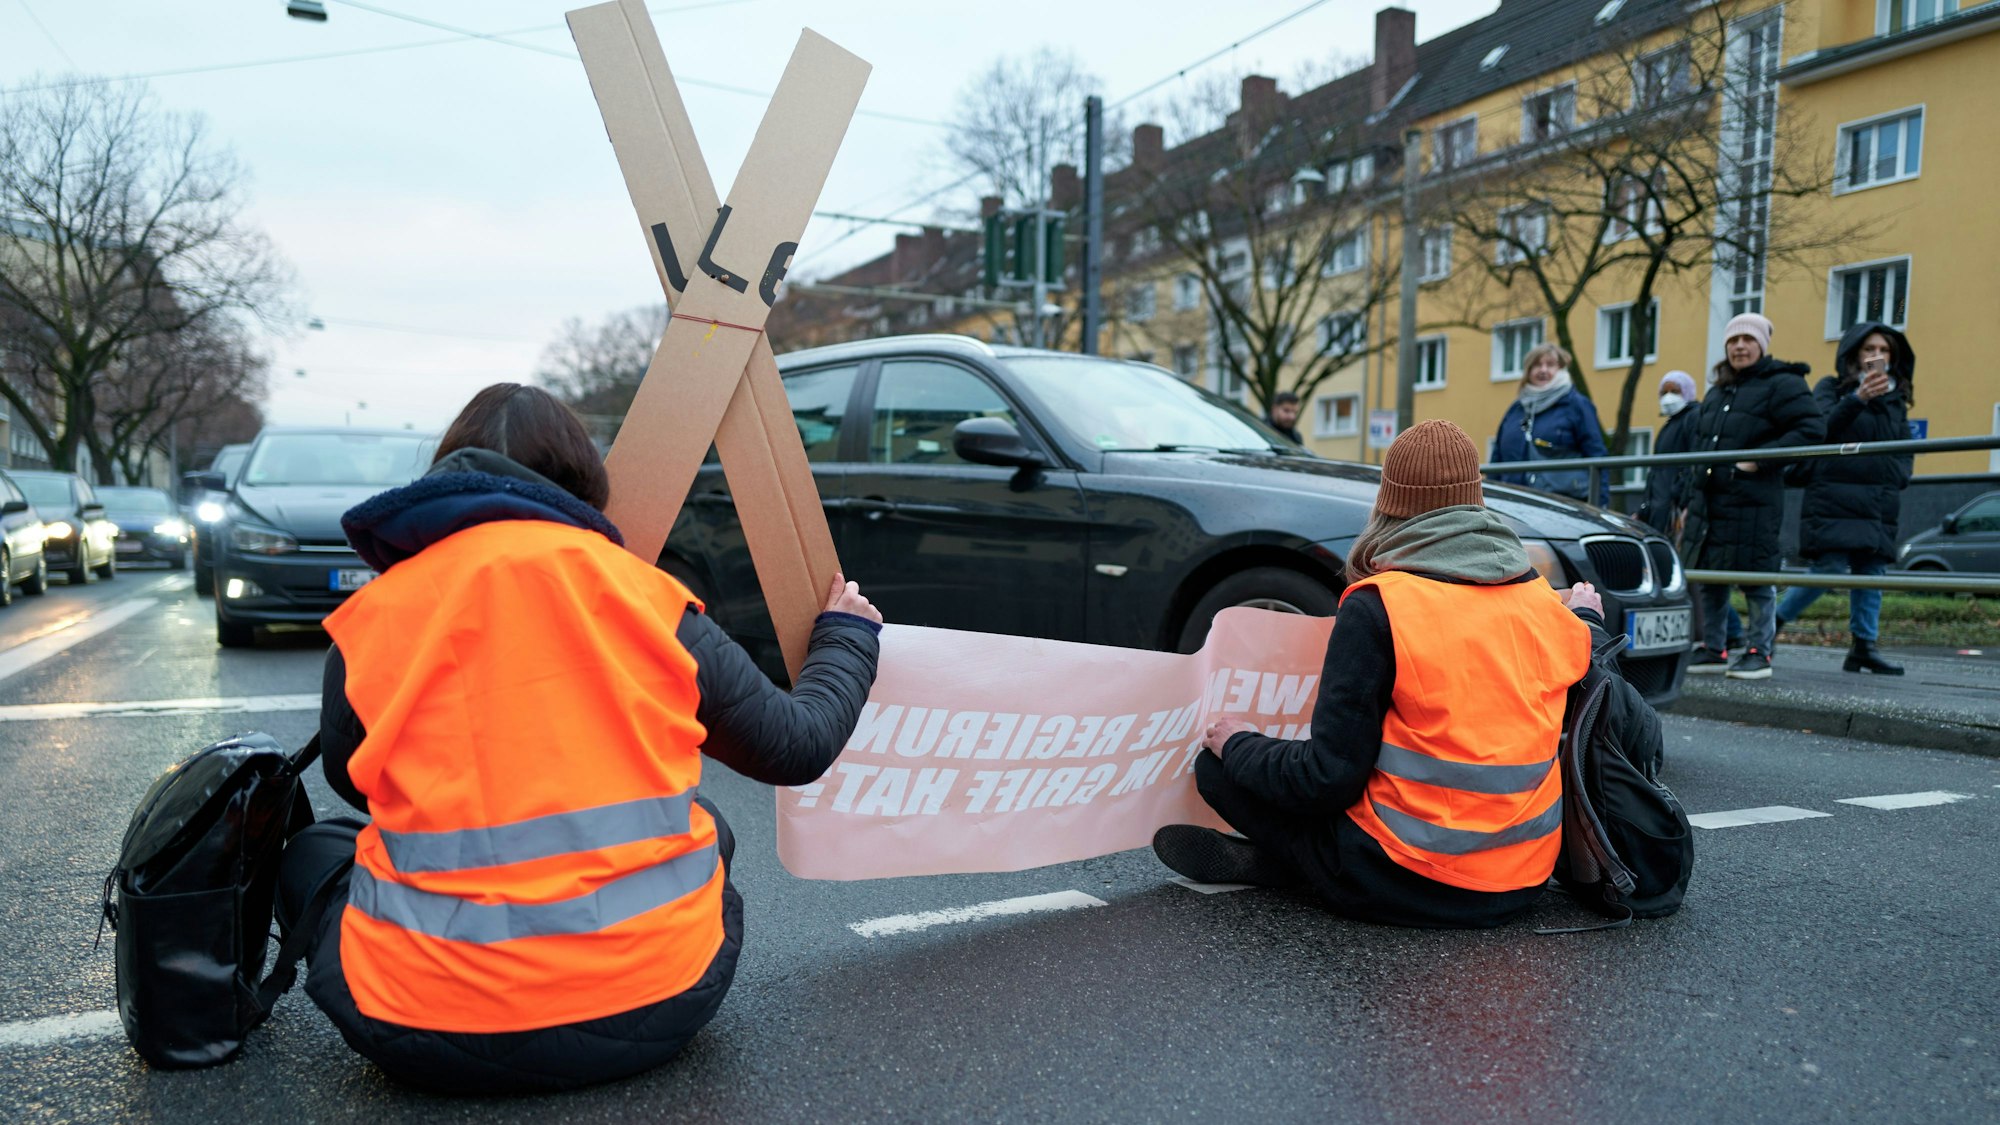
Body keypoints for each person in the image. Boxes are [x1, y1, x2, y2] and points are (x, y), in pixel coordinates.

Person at [275, 384, 882, 1094]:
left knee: (315, 850)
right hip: (665, 1003)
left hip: (425, 1033)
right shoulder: (648, 598)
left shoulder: (376, 615)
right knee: (702, 827)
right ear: (586, 484)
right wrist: (848, 637)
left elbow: (352, 777)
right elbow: (797, 745)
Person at [1151, 419, 1606, 928]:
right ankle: (1294, 864)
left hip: (1402, 879)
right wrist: (1583, 614)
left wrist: (1237, 742)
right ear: (1475, 498)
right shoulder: (1541, 600)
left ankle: (1286, 864)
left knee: (1220, 770)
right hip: (1522, 881)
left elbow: (1324, 780)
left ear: (1390, 502)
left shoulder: (1380, 605)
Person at [1677, 313, 1825, 680]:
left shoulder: (1783, 383)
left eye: (1748, 339)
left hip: (1753, 501)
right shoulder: (1717, 391)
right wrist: (1686, 497)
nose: (1739, 346)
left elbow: (1811, 430)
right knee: (1710, 577)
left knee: (1757, 579)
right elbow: (1698, 446)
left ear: (1762, 344)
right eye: (1733, 340)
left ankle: (1760, 651)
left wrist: (1759, 460)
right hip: (1709, 502)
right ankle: (1714, 648)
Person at [1775, 321, 1915, 675]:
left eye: (1884, 351)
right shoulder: (1831, 387)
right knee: (1829, 568)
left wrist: (1901, 474)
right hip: (1834, 495)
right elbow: (1821, 429)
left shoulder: (1896, 399)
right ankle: (1772, 623)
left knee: (1872, 571)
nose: (1877, 357)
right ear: (1854, 354)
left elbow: (1904, 447)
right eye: (1870, 350)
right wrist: (1858, 399)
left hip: (1878, 499)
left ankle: (1863, 647)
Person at [1638, 370, 1745, 654]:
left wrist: (1685, 502)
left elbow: (1690, 467)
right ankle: (1726, 631)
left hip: (1677, 509)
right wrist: (1646, 509)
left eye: (1674, 390)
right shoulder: (1671, 424)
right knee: (1683, 574)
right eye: (1664, 391)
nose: (1668, 397)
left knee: (1688, 573)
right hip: (1663, 508)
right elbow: (1657, 473)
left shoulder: (1691, 420)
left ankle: (1726, 631)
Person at [1489, 343, 1610, 504]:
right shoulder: (1516, 409)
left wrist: (1600, 503)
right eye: (1537, 365)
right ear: (1528, 371)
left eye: (1550, 365)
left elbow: (1597, 455)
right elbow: (1497, 456)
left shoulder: (1576, 405)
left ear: (1561, 369)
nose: (1543, 370)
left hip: (1562, 504)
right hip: (1513, 504)